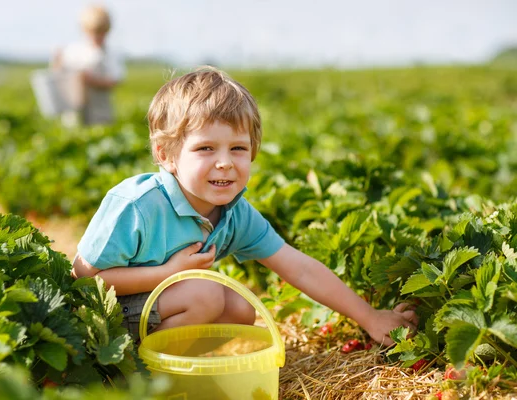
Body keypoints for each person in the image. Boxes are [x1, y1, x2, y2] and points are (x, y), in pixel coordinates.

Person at [71, 67, 418, 344]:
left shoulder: (234, 213)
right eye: (206, 148)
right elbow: (85, 278)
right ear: (166, 155)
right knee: (206, 295)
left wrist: (370, 316)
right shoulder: (138, 205)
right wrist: (168, 273)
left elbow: (298, 267)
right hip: (105, 320)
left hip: (158, 307)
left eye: (237, 148)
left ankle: (180, 363)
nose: (225, 163)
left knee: (239, 308)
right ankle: (137, 373)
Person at [51, 5, 125, 126]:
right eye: (93, 33)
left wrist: (92, 80)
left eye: (101, 33)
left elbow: (115, 80)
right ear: (84, 30)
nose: (98, 37)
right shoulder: (74, 51)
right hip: (74, 110)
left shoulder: (110, 53)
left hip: (100, 109)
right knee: (75, 130)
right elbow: (58, 74)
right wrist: (57, 62)